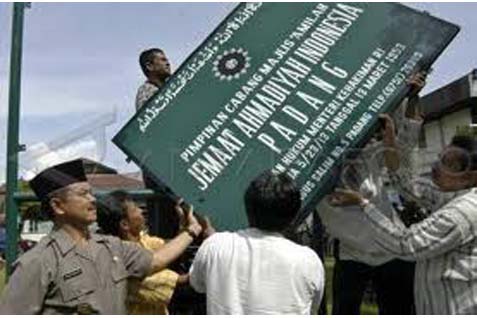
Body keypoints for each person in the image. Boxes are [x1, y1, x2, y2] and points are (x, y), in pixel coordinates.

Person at [0, 159, 202, 314]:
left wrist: (191, 230)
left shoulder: (111, 247)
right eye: (83, 194)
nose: (92, 199)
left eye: (91, 193)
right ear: (58, 206)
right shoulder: (37, 263)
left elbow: (156, 260)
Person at [329, 133, 477, 314]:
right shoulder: (449, 196)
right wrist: (390, 143)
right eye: (440, 157)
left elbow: (405, 244)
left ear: (469, 177)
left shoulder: (460, 213)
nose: (436, 166)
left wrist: (363, 204)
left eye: (449, 164)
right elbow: (408, 186)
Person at [318, 72, 426, 314]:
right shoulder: (310, 173)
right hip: (351, 256)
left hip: (391, 252)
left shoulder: (364, 155)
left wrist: (413, 96)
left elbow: (405, 141)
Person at [189, 170, 325, 314]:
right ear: (294, 213)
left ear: (248, 207)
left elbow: (197, 284)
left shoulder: (214, 246)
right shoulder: (309, 260)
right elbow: (312, 307)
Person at [96, 190, 190, 315]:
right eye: (135, 210)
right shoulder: (126, 264)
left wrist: (183, 224)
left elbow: (169, 249)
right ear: (125, 224)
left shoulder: (141, 240)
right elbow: (182, 284)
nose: (141, 211)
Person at [135, 48, 178, 238]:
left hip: (171, 165)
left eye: (166, 58)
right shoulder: (148, 92)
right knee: (164, 225)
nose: (167, 62)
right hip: (159, 168)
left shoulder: (165, 89)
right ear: (149, 66)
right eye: (162, 59)